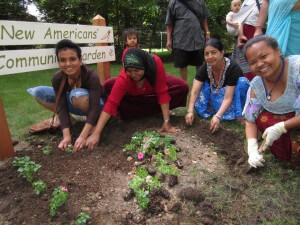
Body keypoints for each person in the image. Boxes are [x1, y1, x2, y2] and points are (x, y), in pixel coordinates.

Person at [85, 48, 189, 149]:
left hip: (151, 90)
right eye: (129, 70)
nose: (133, 74)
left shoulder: (155, 63)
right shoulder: (124, 77)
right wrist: (96, 133)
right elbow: (111, 102)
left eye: (137, 70)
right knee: (108, 85)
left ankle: (151, 110)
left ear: (144, 65)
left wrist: (166, 121)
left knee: (182, 87)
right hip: (134, 94)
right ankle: (133, 111)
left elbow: (162, 92)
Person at [27, 39, 105, 152]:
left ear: (80, 61)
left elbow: (94, 107)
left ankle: (93, 123)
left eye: (72, 59)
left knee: (76, 94)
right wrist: (66, 137)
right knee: (38, 92)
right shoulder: (57, 78)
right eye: (63, 60)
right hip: (76, 101)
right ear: (59, 62)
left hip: (98, 106)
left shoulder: (91, 76)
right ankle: (69, 120)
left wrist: (82, 137)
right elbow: (61, 106)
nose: (68, 64)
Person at [243, 35, 300, 167]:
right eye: (252, 62)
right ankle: (285, 154)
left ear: (278, 51)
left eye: (264, 56)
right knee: (263, 118)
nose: (260, 64)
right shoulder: (256, 86)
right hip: (291, 121)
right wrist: (251, 149)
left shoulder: (297, 68)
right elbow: (250, 120)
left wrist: (281, 127)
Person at [185, 38, 249, 133]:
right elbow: (194, 91)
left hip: (232, 97)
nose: (210, 57)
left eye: (213, 52)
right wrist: (190, 111)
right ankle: (216, 109)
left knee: (242, 83)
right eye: (206, 54)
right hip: (218, 95)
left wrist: (218, 116)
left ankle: (233, 113)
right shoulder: (205, 67)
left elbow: (228, 97)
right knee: (201, 86)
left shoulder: (232, 67)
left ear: (222, 52)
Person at [165, 0, 210, 81]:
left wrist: (207, 32)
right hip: (180, 39)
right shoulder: (173, 2)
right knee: (182, 66)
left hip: (197, 39)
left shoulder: (199, 1)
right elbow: (169, 23)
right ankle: (185, 89)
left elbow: (204, 18)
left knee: (200, 64)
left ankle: (199, 89)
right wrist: (168, 39)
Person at [233, 0, 262, 81]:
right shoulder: (246, 2)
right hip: (243, 35)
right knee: (244, 61)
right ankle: (245, 85)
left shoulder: (262, 1)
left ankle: (257, 83)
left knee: (256, 58)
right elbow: (240, 20)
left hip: (254, 32)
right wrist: (240, 35)